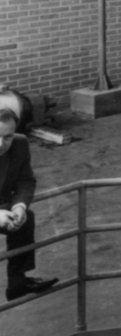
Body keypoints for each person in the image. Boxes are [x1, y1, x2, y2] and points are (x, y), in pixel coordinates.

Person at [0, 107, 58, 301]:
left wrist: (19, 207)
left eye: (7, 137)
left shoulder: (19, 144)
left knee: (26, 219)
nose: (1, 144)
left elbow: (25, 180)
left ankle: (17, 283)